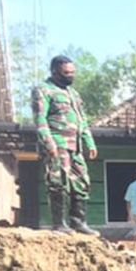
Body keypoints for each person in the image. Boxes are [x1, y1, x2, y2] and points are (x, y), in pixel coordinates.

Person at [33, 55, 97, 234]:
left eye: (73, 72)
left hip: (75, 147)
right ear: (55, 72)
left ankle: (78, 222)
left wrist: (89, 142)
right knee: (58, 182)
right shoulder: (44, 90)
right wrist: (49, 143)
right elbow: (40, 120)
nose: (71, 76)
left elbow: (82, 121)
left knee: (82, 181)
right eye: (66, 73)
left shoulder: (73, 94)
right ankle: (59, 224)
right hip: (57, 143)